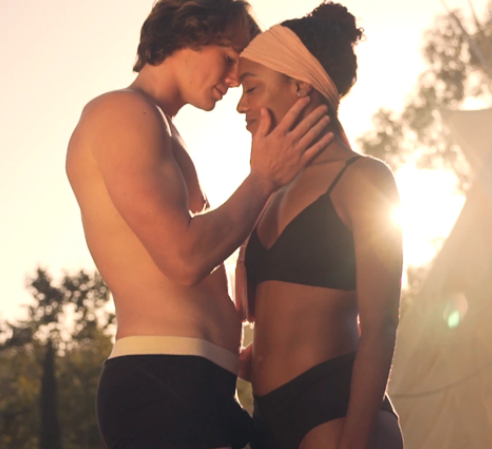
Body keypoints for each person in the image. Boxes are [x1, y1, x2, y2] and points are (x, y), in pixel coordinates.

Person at [65, 1, 334, 448]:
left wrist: (247, 247)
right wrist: (264, 178)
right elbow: (184, 257)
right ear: (186, 36)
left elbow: (197, 240)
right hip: (162, 384)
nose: (234, 81)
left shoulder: (163, 128)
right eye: (229, 60)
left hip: (202, 385)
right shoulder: (120, 113)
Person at [235, 2, 405, 449]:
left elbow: (382, 324)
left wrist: (354, 439)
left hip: (337, 410)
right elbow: (259, 314)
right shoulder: (268, 189)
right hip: (265, 417)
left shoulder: (364, 179)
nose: (240, 106)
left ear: (300, 86)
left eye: (251, 88)